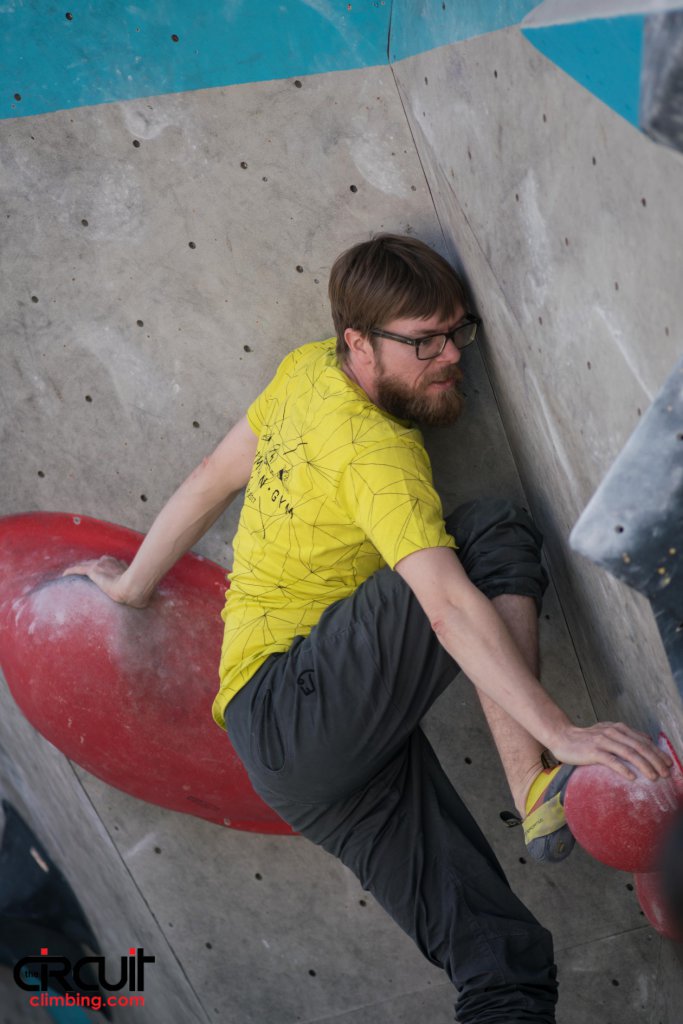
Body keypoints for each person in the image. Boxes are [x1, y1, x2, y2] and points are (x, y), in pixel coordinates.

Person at [66, 234, 671, 1023]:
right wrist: (561, 729)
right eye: (423, 341)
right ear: (359, 342)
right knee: (489, 537)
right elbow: (447, 607)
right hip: (293, 700)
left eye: (457, 331)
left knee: (502, 967)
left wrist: (134, 591)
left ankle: (534, 821)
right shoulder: (378, 454)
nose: (450, 355)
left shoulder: (304, 371)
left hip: (291, 758)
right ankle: (534, 780)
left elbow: (214, 476)